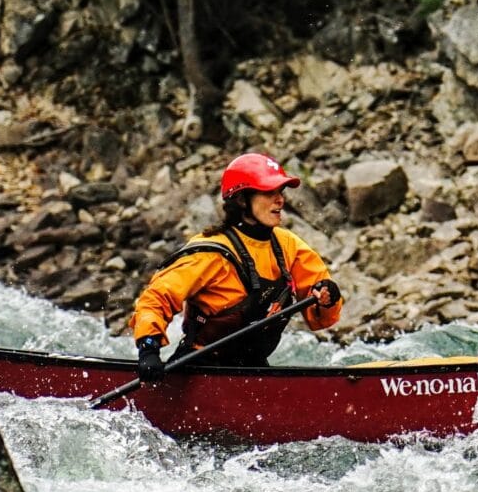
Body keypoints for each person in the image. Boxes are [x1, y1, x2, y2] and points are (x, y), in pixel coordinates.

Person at [129, 152, 344, 376]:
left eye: (280, 191)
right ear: (242, 199)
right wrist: (149, 349)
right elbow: (155, 298)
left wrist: (328, 297)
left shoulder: (288, 245)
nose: (280, 199)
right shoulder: (210, 252)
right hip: (200, 369)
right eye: (269, 192)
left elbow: (321, 315)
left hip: (253, 369)